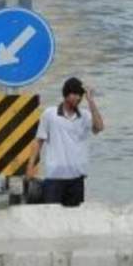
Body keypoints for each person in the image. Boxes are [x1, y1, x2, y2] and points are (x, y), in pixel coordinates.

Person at [25, 78, 104, 207]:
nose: (78, 98)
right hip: (54, 178)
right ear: (66, 94)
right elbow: (38, 142)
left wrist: (91, 102)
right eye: (75, 94)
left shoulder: (85, 116)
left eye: (80, 95)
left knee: (74, 220)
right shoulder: (50, 114)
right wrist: (30, 167)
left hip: (77, 179)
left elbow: (99, 128)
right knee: (51, 218)